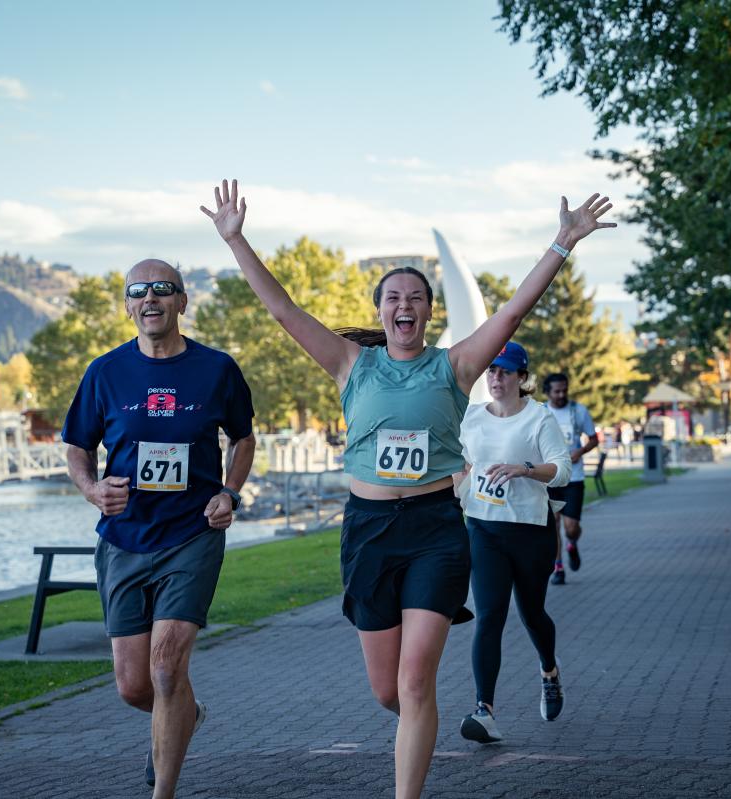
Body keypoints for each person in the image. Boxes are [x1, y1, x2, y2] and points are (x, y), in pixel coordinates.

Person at [202, 178, 614, 798]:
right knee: (388, 691)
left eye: (416, 297)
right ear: (380, 311)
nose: (404, 305)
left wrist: (563, 242)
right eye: (393, 297)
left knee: (417, 682)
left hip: (434, 531)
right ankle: (419, 723)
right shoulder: (350, 364)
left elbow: (511, 313)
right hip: (369, 532)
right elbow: (284, 311)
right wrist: (236, 240)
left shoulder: (456, 366)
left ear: (428, 312)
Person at [62, 258, 256, 798]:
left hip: (192, 534)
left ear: (182, 301)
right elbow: (77, 447)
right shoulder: (105, 372)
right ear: (128, 306)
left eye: (163, 289)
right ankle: (185, 715)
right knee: (134, 686)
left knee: (167, 668)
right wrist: (92, 489)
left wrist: (229, 492)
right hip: (124, 538)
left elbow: (243, 439)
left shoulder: (216, 368)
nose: (150, 298)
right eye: (139, 291)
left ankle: (162, 791)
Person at [454, 341, 571, 744]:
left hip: (530, 529)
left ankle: (549, 670)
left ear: (522, 378)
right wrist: (457, 486)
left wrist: (525, 469)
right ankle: (483, 710)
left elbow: (562, 469)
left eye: (505, 371)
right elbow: (460, 462)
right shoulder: (472, 417)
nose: (496, 377)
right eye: (491, 370)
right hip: (484, 528)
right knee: (490, 616)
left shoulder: (538, 419)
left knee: (532, 613)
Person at [542, 373, 598, 584]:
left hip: (574, 477)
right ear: (547, 392)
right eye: (557, 391)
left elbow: (594, 439)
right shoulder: (540, 412)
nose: (561, 394)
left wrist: (580, 452)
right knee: (554, 523)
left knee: (571, 527)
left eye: (564, 390)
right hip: (549, 477)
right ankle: (558, 567)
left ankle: (572, 543)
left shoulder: (579, 411)